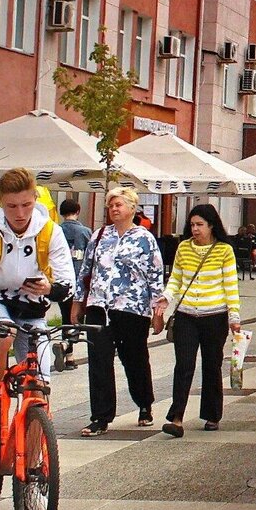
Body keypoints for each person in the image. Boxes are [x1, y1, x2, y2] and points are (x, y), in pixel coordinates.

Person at [0, 168, 76, 444]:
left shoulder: (50, 230)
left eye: (26, 204)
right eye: (12, 206)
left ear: (35, 199)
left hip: (33, 308)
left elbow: (68, 281)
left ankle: (33, 469)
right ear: (0, 202)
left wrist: (50, 288)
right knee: (4, 333)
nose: (20, 213)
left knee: (39, 387)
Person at [72, 186, 165, 436]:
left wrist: (158, 311)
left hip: (132, 309)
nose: (114, 209)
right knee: (99, 361)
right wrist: (78, 302)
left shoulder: (144, 238)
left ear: (132, 209)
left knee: (134, 359)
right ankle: (100, 418)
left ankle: (144, 403)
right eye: (111, 205)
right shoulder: (99, 235)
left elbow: (155, 276)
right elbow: (86, 271)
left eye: (119, 204)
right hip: (99, 306)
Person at [155, 204, 241, 437]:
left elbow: (230, 285)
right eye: (192, 224)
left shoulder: (224, 250)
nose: (194, 229)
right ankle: (177, 417)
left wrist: (234, 317)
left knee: (212, 365)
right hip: (186, 316)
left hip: (215, 316)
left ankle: (212, 414)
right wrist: (166, 297)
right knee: (183, 365)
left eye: (199, 225)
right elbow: (176, 278)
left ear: (211, 225)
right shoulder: (184, 248)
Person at [57, 199, 92, 367]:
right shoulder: (86, 232)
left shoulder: (56, 231)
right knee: (78, 318)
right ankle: (66, 345)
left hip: (60, 283)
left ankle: (69, 356)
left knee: (66, 317)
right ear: (78, 211)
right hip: (80, 283)